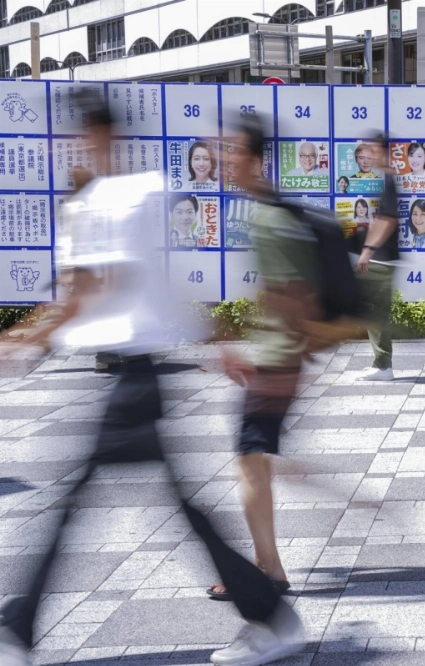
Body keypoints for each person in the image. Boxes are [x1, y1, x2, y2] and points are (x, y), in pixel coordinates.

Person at [0, 98, 304, 666]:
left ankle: (18, 632)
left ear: (100, 135)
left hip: (134, 381)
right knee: (150, 507)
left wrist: (25, 339)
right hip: (130, 378)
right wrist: (215, 340)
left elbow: (93, 288)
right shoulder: (103, 200)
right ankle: (269, 615)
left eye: (75, 136)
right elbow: (125, 287)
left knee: (82, 508)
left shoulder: (122, 197)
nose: (63, 147)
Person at [206, 113, 327, 609]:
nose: (224, 160)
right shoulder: (269, 213)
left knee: (249, 465)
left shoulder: (271, 220)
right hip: (277, 357)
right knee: (254, 462)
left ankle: (268, 570)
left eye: (232, 152)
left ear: (255, 160)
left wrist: (283, 367)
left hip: (277, 361)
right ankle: (267, 565)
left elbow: (294, 295)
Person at [356, 134, 401, 381]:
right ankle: (380, 362)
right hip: (382, 257)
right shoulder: (385, 179)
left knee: (375, 311)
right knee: (373, 310)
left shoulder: (390, 180)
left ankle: (383, 366)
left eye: (371, 150)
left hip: (382, 259)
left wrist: (368, 250)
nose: (368, 156)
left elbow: (389, 220)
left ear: (382, 151)